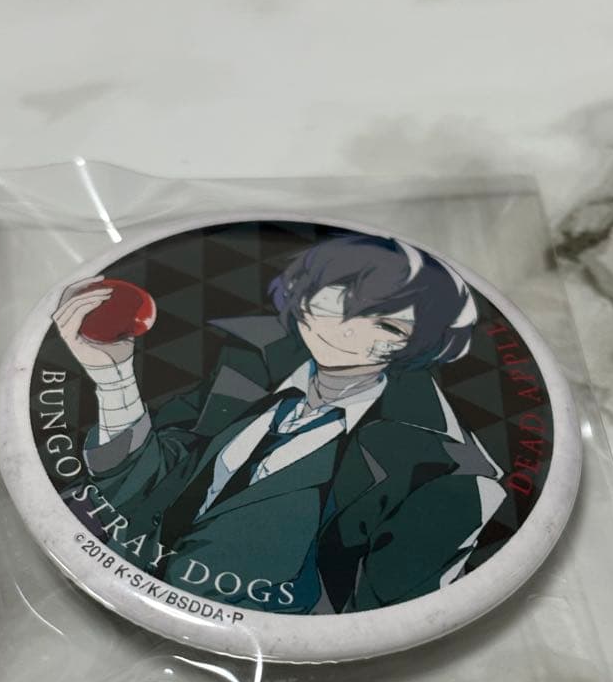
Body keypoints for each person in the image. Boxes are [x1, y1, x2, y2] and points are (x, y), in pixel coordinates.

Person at [53, 233, 505, 614]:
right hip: (92, 593)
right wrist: (113, 377)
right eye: (340, 302)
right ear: (302, 296)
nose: (350, 331)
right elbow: (146, 485)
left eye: (388, 327)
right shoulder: (247, 367)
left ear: (419, 346)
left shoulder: (444, 474)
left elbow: (385, 619)